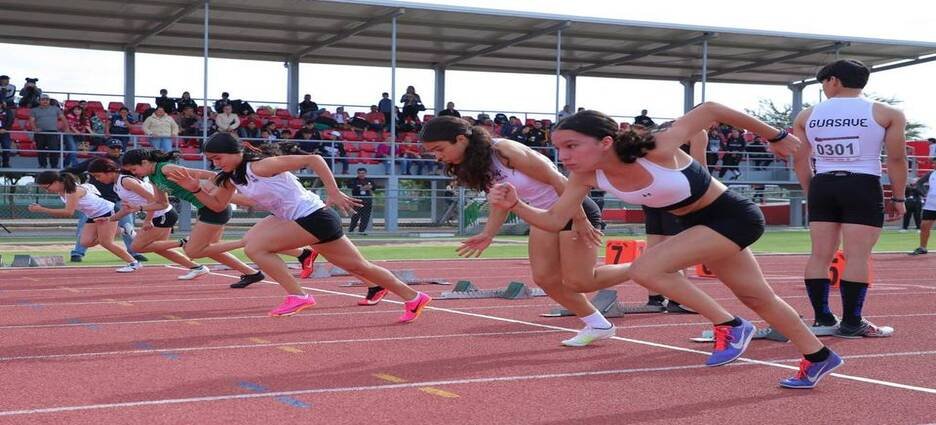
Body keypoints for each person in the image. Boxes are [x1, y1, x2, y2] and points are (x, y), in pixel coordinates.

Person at [489, 106, 843, 389]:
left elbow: (710, 109)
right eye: (558, 148)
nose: (563, 155)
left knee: (647, 269)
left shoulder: (655, 149)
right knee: (757, 297)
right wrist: (515, 205)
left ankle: (730, 325)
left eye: (572, 146)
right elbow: (554, 220)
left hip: (732, 216)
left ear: (606, 141)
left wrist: (776, 135)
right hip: (696, 225)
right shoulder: (585, 176)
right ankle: (818, 356)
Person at [164, 133, 432, 319]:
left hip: (314, 217)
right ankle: (413, 297)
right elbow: (216, 205)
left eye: (218, 157)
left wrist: (334, 191)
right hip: (299, 220)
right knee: (359, 266)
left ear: (236, 152)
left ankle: (299, 295)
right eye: (211, 159)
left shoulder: (261, 166)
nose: (215, 163)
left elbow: (314, 159)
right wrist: (195, 188)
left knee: (256, 247)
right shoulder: (231, 178)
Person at [421, 116, 618, 347]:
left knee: (580, 281)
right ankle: (598, 324)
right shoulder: (478, 164)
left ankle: (641, 268)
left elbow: (558, 179)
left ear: (461, 139)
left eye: (439, 149)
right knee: (545, 278)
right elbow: (501, 201)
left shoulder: (504, 150)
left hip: (573, 210)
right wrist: (488, 234)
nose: (437, 157)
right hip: (542, 216)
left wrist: (580, 218)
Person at [792, 59, 906, 338]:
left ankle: (822, 319)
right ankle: (852, 323)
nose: (824, 88)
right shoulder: (887, 112)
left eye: (824, 82)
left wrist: (811, 191)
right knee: (857, 256)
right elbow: (896, 158)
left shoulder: (807, 115)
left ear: (833, 80)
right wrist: (899, 197)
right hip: (862, 184)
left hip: (823, 183)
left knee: (819, 254)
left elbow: (800, 160)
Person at [121, 148, 267, 288]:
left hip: (213, 208)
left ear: (145, 162)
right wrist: (139, 208)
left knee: (195, 250)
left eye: (134, 169)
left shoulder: (166, 169)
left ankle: (246, 242)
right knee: (211, 250)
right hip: (205, 209)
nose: (134, 173)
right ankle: (252, 273)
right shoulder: (153, 178)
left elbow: (212, 175)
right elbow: (162, 203)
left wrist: (216, 191)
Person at [87, 158, 209, 280]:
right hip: (162, 215)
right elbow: (126, 209)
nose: (98, 179)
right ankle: (197, 268)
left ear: (109, 171)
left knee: (137, 247)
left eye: (98, 176)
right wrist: (110, 219)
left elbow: (153, 199)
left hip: (163, 215)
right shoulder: (117, 185)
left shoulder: (126, 181)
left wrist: (147, 220)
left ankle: (184, 242)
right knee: (159, 248)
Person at [30, 170, 140, 272]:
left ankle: (133, 263)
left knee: (106, 242)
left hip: (107, 211)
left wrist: (42, 209)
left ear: (56, 182)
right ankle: (122, 230)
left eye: (47, 187)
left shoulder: (72, 191)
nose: (47, 191)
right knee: (85, 242)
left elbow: (68, 212)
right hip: (93, 215)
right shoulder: (62, 191)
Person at [64, 139, 145, 263]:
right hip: (96, 202)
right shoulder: (95, 162)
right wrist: (58, 176)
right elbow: (74, 169)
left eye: (118, 148)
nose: (116, 150)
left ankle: (134, 252)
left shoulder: (124, 164)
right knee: (84, 227)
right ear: (106, 148)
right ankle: (78, 252)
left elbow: (136, 178)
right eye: (113, 148)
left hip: (118, 200)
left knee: (128, 226)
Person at [28, 94, 67, 168]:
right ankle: (42, 165)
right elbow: (31, 120)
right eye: (43, 100)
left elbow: (63, 118)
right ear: (39, 101)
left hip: (52, 132)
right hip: (39, 132)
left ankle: (54, 165)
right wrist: (35, 128)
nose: (45, 101)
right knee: (41, 149)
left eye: (47, 100)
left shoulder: (56, 109)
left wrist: (66, 128)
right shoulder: (34, 110)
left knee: (54, 149)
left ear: (49, 101)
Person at [909, 171, 936, 255]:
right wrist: (925, 193)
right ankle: (922, 247)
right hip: (931, 204)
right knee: (924, 226)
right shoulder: (931, 174)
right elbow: (919, 183)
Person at [348, 168, 375, 235]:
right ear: (357, 173)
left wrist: (370, 187)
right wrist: (362, 188)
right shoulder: (354, 180)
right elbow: (351, 186)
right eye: (359, 173)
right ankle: (351, 230)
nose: (361, 174)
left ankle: (361, 231)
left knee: (365, 217)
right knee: (356, 216)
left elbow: (374, 187)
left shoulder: (369, 180)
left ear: (365, 173)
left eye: (363, 173)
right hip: (357, 201)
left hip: (367, 201)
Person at [0, 100, 12, 168]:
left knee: (6, 147)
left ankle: (6, 163)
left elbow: (10, 120)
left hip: (4, 132)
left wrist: (5, 129)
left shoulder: (7, 111)